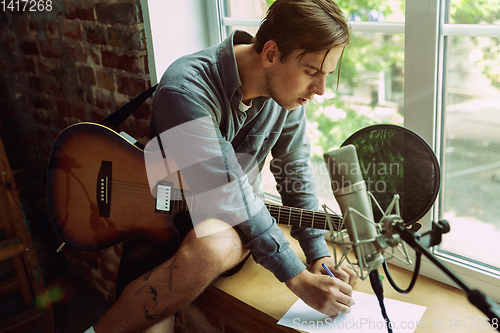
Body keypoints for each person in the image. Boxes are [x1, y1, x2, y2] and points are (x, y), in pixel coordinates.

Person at [88, 0, 357, 332]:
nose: (320, 90)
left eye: (326, 75)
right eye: (312, 72)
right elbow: (228, 191)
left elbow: (295, 171)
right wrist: (296, 278)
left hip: (227, 225)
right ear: (271, 54)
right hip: (160, 221)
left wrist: (318, 255)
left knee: (219, 244)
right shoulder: (185, 88)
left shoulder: (288, 99)